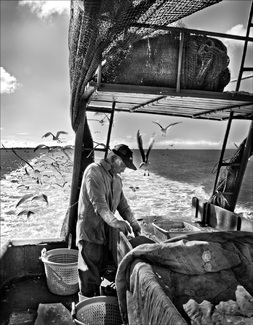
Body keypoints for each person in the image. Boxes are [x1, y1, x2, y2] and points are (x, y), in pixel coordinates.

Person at [76, 144, 141, 297]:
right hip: (90, 233)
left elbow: (123, 205)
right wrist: (115, 222)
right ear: (113, 158)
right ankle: (86, 307)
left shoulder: (117, 179)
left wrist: (133, 222)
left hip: (105, 234)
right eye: (123, 164)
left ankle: (96, 300)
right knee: (89, 276)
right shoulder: (94, 171)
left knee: (101, 271)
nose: (124, 169)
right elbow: (99, 205)